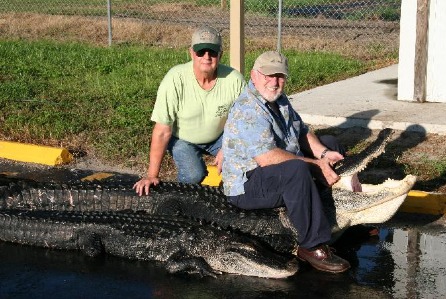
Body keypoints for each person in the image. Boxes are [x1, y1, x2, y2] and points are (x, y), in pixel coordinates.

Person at [221, 51, 353, 273]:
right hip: (246, 184)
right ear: (254, 75)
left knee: (331, 144)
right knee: (297, 169)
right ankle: (311, 245)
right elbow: (267, 158)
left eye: (280, 76)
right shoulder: (248, 109)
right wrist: (314, 164)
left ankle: (338, 213)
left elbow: (302, 131)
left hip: (276, 168)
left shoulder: (279, 100)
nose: (274, 82)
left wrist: (322, 154)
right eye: (268, 75)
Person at [133, 25, 246, 196]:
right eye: (201, 52)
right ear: (192, 53)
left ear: (220, 54)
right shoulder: (174, 78)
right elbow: (162, 130)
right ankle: (181, 201)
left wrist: (229, 147)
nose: (206, 57)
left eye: (212, 52)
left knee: (240, 163)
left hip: (220, 136)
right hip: (183, 138)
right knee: (194, 174)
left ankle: (235, 201)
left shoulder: (234, 79)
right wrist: (151, 175)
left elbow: (245, 121)